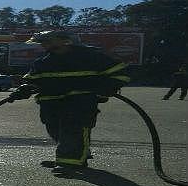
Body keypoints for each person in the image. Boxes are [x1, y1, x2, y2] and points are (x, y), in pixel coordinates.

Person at [9, 30, 130, 170]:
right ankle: (72, 157)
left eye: (48, 41)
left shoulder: (91, 56)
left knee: (74, 129)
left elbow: (121, 73)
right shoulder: (43, 61)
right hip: (50, 103)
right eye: (42, 42)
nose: (44, 45)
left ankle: (69, 162)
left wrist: (107, 87)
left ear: (65, 40)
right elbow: (32, 80)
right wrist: (23, 89)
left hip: (80, 101)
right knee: (55, 130)